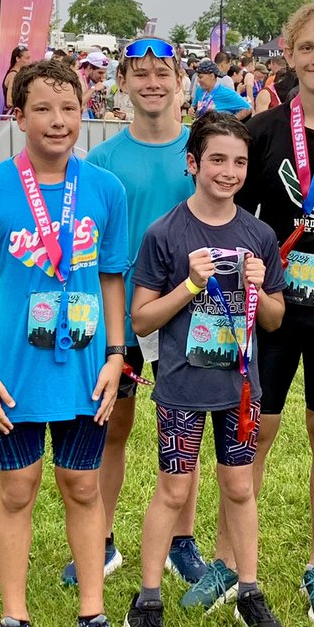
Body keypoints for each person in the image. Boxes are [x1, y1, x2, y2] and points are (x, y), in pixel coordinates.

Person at [196, 0, 314, 625]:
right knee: (254, 431)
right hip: (270, 309)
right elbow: (232, 215)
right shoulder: (263, 131)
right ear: (288, 54)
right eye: (306, 48)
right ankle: (228, 560)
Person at [0, 58, 129, 627]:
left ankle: (92, 616)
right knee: (17, 487)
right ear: (17, 116)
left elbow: (112, 278)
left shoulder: (105, 191)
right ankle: (13, 619)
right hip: (15, 377)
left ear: (85, 112)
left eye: (70, 108)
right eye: (43, 109)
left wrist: (116, 357)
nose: (58, 121)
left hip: (85, 373)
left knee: (83, 485)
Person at [125, 113, 287, 627]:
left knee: (240, 487)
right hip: (181, 387)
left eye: (239, 162)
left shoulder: (258, 235)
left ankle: (248, 590)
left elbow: (273, 320)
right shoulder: (166, 233)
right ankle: (147, 601)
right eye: (217, 159)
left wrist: (261, 291)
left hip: (239, 390)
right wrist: (191, 284)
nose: (229, 171)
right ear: (193, 163)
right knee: (173, 489)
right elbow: (142, 319)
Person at [61, 36, 203, 589]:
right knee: (112, 427)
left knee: (184, 432)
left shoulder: (199, 149)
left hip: (188, 312)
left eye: (162, 73)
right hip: (119, 314)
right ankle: (102, 538)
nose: (151, 83)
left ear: (179, 83)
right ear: (121, 83)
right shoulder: (103, 160)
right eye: (139, 73)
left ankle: (181, 540)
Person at [2, 46, 31, 112]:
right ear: (17, 58)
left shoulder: (18, 74)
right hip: (12, 116)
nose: (29, 61)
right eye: (27, 58)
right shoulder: (13, 75)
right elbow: (9, 102)